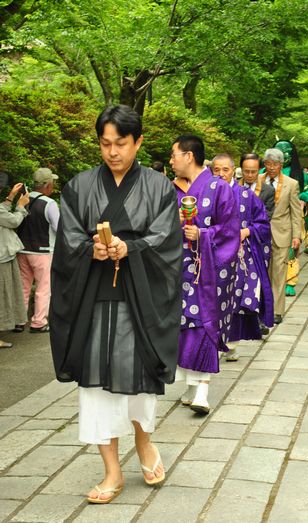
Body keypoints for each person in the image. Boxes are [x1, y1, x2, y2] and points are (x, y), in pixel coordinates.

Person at [49, 105, 182, 503]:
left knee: (139, 382)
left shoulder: (159, 187)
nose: (112, 152)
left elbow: (167, 241)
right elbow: (68, 240)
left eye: (120, 143)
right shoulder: (80, 186)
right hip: (94, 298)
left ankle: (144, 443)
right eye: (105, 144)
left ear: (138, 141)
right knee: (95, 385)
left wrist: (132, 247)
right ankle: (111, 471)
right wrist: (91, 250)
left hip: (139, 298)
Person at [171, 139, 240, 413]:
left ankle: (202, 390)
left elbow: (230, 229)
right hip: (177, 269)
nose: (171, 161)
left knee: (203, 323)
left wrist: (202, 234)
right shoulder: (171, 189)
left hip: (209, 272)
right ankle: (190, 385)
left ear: (189, 156)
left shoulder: (219, 187)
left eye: (174, 155)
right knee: (183, 324)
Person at [212, 154, 273, 355]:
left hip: (239, 256)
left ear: (232, 171)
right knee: (212, 297)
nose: (221, 174)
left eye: (225, 170)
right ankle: (213, 339)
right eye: (216, 170)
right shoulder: (204, 194)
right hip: (211, 255)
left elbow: (263, 224)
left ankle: (231, 342)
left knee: (235, 297)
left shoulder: (246, 196)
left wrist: (246, 232)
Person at [16, 168, 60, 333]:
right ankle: (38, 322)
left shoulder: (23, 200)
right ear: (48, 185)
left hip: (22, 250)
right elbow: (59, 228)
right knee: (43, 287)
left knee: (23, 286)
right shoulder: (50, 204)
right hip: (43, 251)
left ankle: (19, 321)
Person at [262, 149, 301, 324]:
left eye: (275, 164)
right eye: (268, 164)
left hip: (282, 233)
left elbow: (296, 211)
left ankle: (277, 311)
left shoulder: (291, 184)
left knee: (279, 273)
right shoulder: (258, 180)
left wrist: (297, 235)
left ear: (281, 165)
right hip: (261, 233)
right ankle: (262, 307)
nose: (271, 167)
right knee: (263, 271)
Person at [0, 174, 30, 348]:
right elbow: (13, 221)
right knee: (2, 296)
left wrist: (10, 197)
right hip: (2, 258)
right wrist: (20, 206)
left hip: (4, 256)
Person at [239, 153, 275, 219]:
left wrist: (250, 229)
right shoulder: (232, 188)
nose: (250, 175)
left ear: (259, 170)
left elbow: (266, 216)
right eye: (246, 171)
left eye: (253, 172)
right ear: (241, 170)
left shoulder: (269, 191)